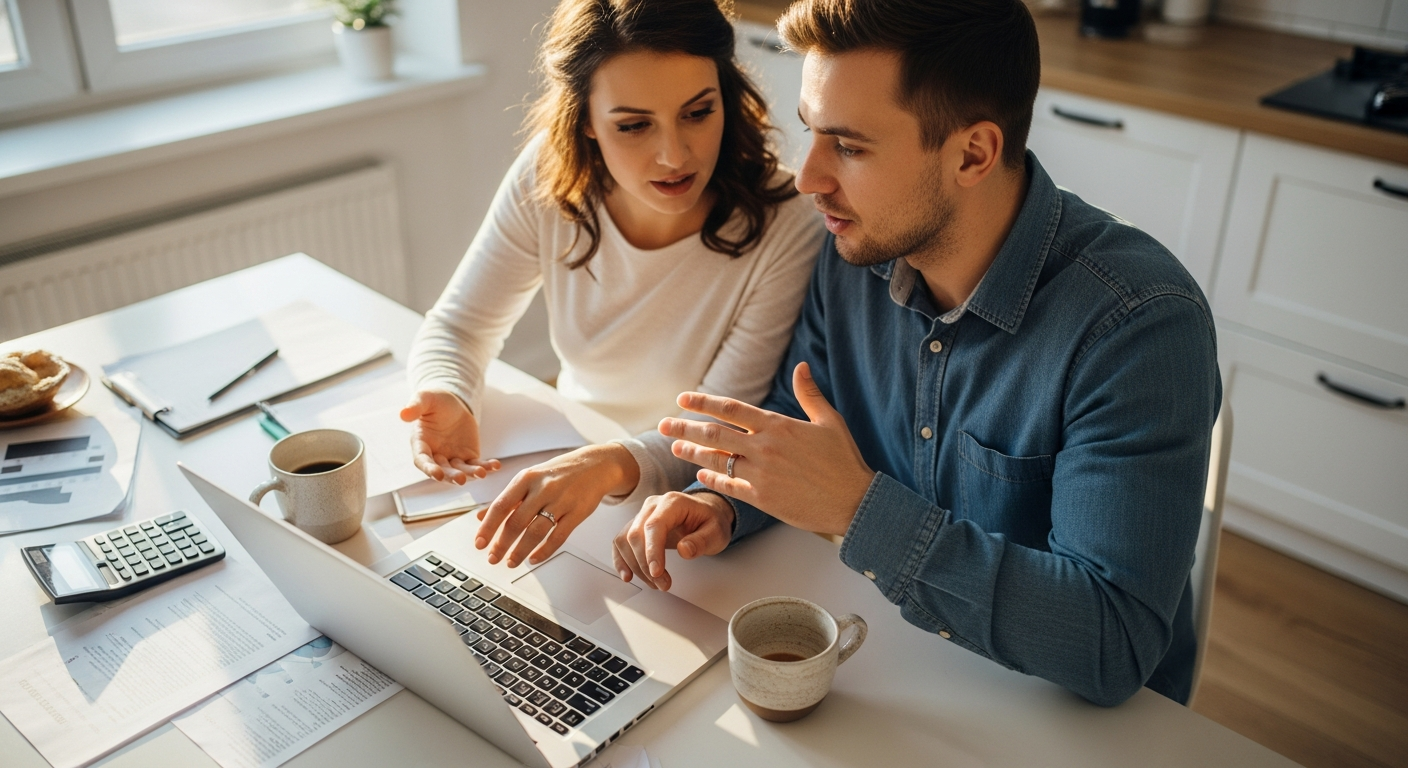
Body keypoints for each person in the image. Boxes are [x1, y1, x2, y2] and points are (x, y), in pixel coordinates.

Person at [611, 0, 1221, 708]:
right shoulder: (855, 246)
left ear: (972, 153)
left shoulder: (1138, 327)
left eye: (850, 146)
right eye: (811, 132)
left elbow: (1113, 640)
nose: (808, 178)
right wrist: (722, 502)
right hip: (894, 669)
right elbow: (802, 417)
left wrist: (857, 508)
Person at [403, 0, 823, 571]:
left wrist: (609, 464)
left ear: (726, 95)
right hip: (568, 457)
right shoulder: (550, 178)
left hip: (688, 506)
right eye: (633, 125)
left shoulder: (788, 221)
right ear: (585, 123)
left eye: (698, 112)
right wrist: (447, 390)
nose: (675, 155)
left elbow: (721, 429)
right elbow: (459, 325)